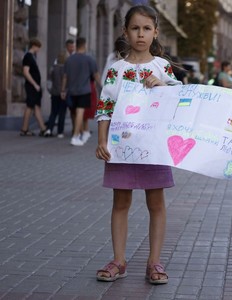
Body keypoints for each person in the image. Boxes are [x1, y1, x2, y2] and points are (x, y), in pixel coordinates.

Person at [95, 5, 182, 284]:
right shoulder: (116, 71)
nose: (140, 34)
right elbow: (106, 106)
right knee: (120, 202)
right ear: (125, 32)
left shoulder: (162, 67)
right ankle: (118, 260)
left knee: (156, 203)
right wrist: (101, 141)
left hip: (153, 148)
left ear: (155, 32)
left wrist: (163, 87)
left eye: (146, 29)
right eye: (135, 28)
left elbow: (180, 99)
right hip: (122, 148)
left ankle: (154, 262)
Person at [61, 37, 101, 146]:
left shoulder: (69, 60)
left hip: (71, 90)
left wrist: (63, 90)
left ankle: (81, 133)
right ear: (85, 45)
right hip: (84, 90)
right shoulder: (89, 59)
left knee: (74, 113)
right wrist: (102, 85)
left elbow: (65, 76)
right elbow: (96, 75)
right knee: (80, 113)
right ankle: (75, 136)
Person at [20, 38, 47, 136]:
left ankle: (40, 128)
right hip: (32, 86)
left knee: (34, 107)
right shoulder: (28, 56)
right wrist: (35, 84)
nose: (39, 49)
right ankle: (25, 129)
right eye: (38, 47)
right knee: (30, 106)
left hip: (34, 86)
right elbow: (26, 72)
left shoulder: (31, 56)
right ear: (34, 46)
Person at [44, 53, 68, 138]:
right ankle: (60, 132)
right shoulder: (66, 69)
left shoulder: (53, 68)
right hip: (64, 93)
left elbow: (49, 82)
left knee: (53, 112)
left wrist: (50, 91)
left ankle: (49, 129)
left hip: (54, 93)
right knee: (62, 113)